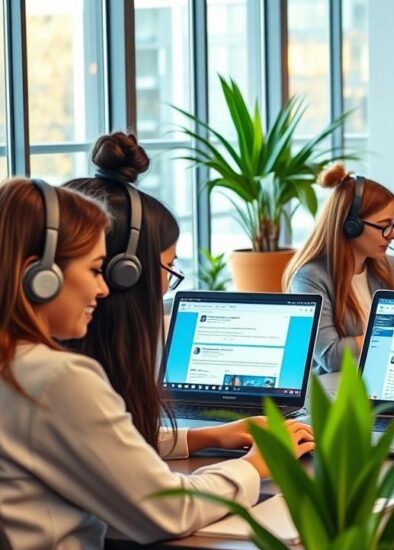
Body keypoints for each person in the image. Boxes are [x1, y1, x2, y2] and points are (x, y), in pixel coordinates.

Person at [0, 178, 315, 550]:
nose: (103, 287)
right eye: (95, 270)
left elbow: (78, 443)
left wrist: (204, 437)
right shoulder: (57, 378)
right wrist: (254, 466)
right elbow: (169, 511)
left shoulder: (18, 368)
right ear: (40, 275)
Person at [64, 132, 282, 458]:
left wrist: (208, 436)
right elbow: (158, 491)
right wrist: (255, 464)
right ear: (125, 273)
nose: (167, 284)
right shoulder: (67, 381)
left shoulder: (64, 368)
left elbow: (114, 445)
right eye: (168, 266)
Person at [284, 163, 394, 373]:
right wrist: (384, 333)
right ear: (351, 226)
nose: (393, 234)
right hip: (338, 385)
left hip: (385, 376)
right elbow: (331, 357)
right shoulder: (310, 278)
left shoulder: (388, 266)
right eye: (384, 226)